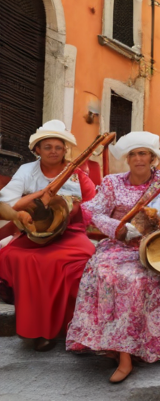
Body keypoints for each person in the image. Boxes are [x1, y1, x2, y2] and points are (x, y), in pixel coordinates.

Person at [66, 131, 160, 383]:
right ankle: (118, 349)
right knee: (104, 271)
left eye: (143, 153)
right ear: (127, 158)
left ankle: (136, 349)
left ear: (153, 157)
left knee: (139, 279)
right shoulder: (113, 182)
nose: (138, 158)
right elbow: (91, 210)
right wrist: (118, 228)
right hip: (119, 245)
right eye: (133, 154)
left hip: (154, 245)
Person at [0, 120, 96, 351]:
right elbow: (6, 200)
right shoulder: (26, 171)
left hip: (71, 233)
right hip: (35, 233)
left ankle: (77, 328)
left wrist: (76, 212)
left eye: (58, 147)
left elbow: (94, 205)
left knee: (81, 264)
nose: (53, 151)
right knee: (18, 258)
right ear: (37, 150)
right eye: (47, 147)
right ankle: (40, 330)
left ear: (65, 150)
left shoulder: (78, 173)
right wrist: (35, 201)